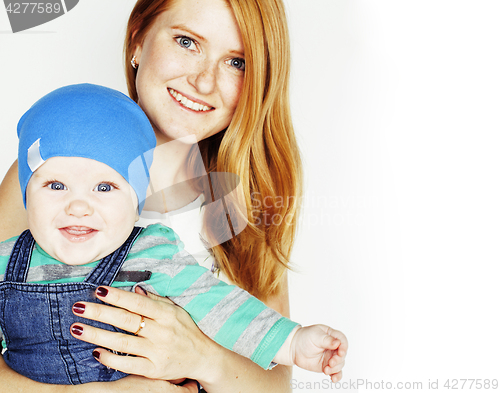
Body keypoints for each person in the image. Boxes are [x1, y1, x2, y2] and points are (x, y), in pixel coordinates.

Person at [0, 0, 348, 392]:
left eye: (237, 62)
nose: (204, 81)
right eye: (186, 41)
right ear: (137, 40)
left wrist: (200, 357)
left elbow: (274, 385)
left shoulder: (245, 202)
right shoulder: (52, 171)